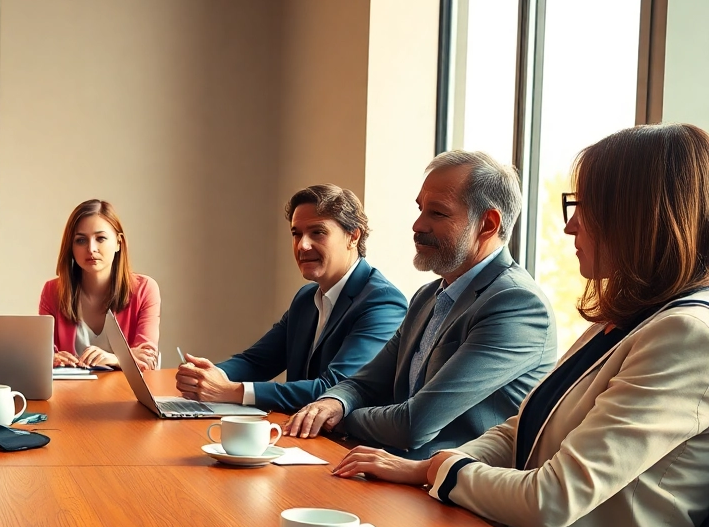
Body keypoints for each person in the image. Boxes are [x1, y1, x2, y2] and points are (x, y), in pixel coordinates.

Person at [279, 123, 709, 527]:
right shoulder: (622, 320)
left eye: (582, 208)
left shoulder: (686, 336)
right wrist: (423, 468)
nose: (568, 226)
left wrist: (436, 466)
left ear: (640, 216)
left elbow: (553, 498)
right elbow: (521, 425)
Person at [285, 151, 557, 459]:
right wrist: (332, 402)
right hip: (394, 473)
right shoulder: (427, 297)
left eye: (437, 213)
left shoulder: (516, 305)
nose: (417, 225)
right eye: (420, 209)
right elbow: (364, 383)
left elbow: (414, 424)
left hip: (456, 496)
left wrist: (336, 419)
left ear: (488, 224)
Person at [175, 185, 407, 412]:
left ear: (353, 236)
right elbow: (257, 362)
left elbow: (336, 388)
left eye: (318, 232)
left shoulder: (383, 303)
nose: (302, 245)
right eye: (296, 234)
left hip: (346, 444)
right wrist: (205, 376)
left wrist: (231, 391)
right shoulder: (306, 298)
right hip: (298, 433)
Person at [39, 199, 160, 371]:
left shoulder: (145, 289)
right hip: (69, 394)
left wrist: (114, 359)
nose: (91, 248)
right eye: (81, 241)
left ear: (119, 242)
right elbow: (42, 354)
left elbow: (148, 359)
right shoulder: (52, 291)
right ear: (71, 247)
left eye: (101, 238)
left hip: (124, 394)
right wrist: (51, 359)